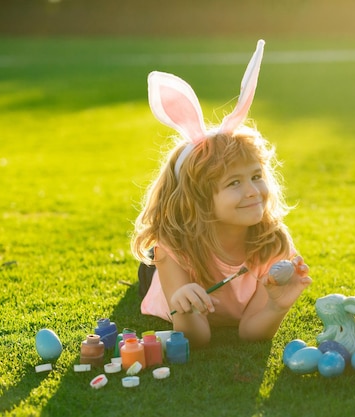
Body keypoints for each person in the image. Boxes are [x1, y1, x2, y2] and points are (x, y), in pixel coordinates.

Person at [131, 40, 312, 347]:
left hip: (215, 267)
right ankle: (155, 277)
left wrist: (276, 305)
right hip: (183, 255)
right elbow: (196, 338)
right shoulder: (173, 246)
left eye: (256, 176)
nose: (253, 191)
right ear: (198, 199)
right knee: (153, 264)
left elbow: (250, 332)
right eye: (234, 183)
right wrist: (182, 303)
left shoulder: (273, 244)